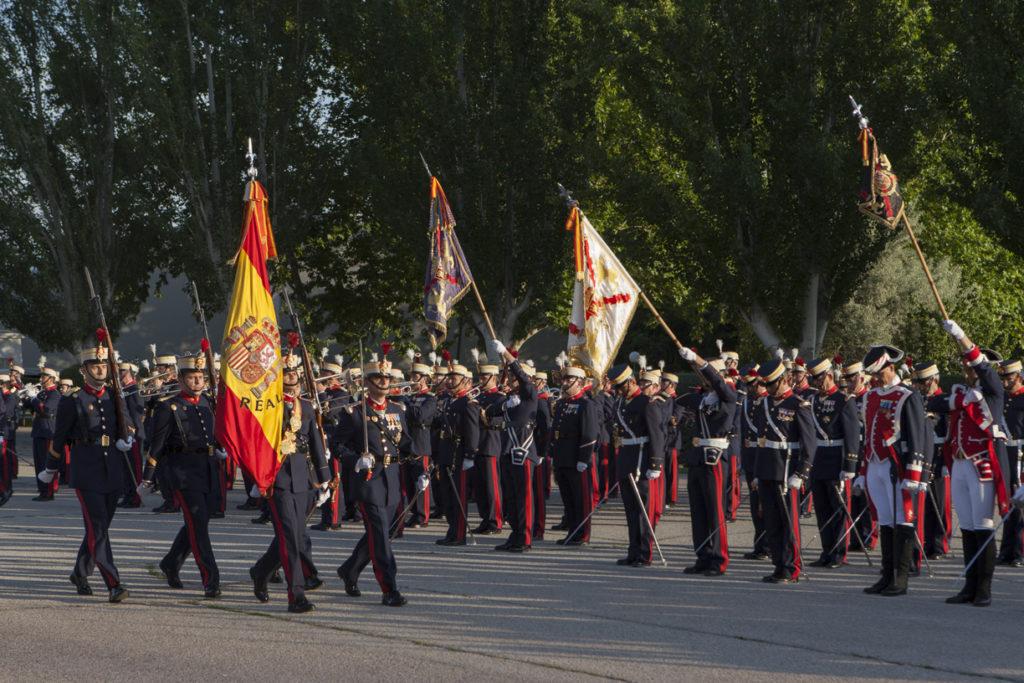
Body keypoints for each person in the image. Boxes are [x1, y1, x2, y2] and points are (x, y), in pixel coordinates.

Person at [39, 344, 135, 603]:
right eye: (95, 366)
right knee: (99, 529)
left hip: (112, 468)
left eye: (103, 366)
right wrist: (50, 467)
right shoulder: (73, 400)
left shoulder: (114, 396)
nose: (101, 370)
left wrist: (127, 437)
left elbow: (127, 423)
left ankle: (80, 572)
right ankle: (114, 584)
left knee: (98, 528)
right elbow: (59, 437)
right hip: (86, 469)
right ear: (84, 370)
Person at [332, 354, 426, 607]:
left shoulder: (397, 410)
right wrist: (354, 460)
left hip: (392, 479)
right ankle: (389, 587)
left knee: (385, 531)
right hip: (369, 481)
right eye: (377, 378)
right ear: (366, 382)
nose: (384, 382)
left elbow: (405, 444)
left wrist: (420, 471)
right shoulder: (355, 413)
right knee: (380, 536)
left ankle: (350, 569)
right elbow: (336, 446)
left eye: (386, 378)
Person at [249, 348, 331, 613]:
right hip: (277, 478)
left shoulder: (305, 406)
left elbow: (316, 443)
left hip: (303, 478)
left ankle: (261, 571)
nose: (292, 377)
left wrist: (325, 479)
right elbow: (254, 443)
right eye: (286, 374)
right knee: (290, 539)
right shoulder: (265, 405)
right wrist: (255, 476)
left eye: (294, 373)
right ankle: (296, 595)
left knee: (295, 535)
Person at [139, 352, 224, 598]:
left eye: (200, 377)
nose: (198, 382)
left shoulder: (208, 402)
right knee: (198, 527)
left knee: (199, 522)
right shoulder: (168, 406)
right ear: (180, 379)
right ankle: (211, 578)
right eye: (192, 377)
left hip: (208, 469)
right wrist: (148, 477)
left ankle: (171, 562)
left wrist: (222, 448)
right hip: (183, 472)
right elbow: (156, 445)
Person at [939, 321, 1011, 606]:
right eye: (966, 369)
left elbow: (982, 366)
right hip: (959, 465)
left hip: (981, 466)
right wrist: (959, 400)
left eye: (972, 369)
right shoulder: (962, 394)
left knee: (982, 526)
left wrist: (961, 336)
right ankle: (969, 586)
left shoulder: (993, 391)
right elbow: (936, 404)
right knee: (967, 527)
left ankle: (984, 588)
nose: (968, 373)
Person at [856, 344, 927, 597]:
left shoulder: (907, 395)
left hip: (896, 465)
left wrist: (914, 473)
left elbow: (917, 436)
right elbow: (867, 436)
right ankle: (886, 574)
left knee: (903, 519)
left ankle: (901, 577)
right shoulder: (870, 396)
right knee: (885, 520)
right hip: (874, 463)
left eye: (881, 373)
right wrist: (862, 471)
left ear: (891, 367)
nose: (877, 379)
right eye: (875, 375)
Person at [751, 358, 816, 584]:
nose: (768, 389)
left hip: (787, 472)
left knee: (789, 524)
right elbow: (761, 441)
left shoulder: (799, 405)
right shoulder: (764, 405)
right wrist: (757, 472)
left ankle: (791, 568)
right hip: (767, 469)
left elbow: (809, 443)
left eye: (771, 384)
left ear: (783, 380)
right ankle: (779, 565)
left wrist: (801, 473)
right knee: (771, 522)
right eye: (766, 385)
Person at [677, 349, 736, 576]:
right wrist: (702, 398)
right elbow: (681, 399)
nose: (704, 379)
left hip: (715, 457)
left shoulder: (729, 395)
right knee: (698, 510)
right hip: (697, 456)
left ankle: (719, 559)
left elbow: (720, 385)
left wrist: (699, 361)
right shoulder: (703, 396)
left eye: (707, 375)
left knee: (714, 510)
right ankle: (703, 555)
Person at [805, 357, 861, 568]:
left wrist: (849, 466)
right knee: (822, 510)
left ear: (829, 375)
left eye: (819, 379)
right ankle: (826, 550)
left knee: (838, 510)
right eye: (814, 380)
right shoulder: (812, 401)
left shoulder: (844, 400)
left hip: (836, 460)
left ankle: (839, 553)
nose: (817, 383)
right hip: (818, 460)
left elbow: (852, 436)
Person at [608, 362, 665, 567]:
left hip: (642, 460)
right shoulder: (621, 404)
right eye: (616, 387)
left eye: (620, 387)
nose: (617, 391)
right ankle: (633, 551)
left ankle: (644, 553)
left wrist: (655, 464)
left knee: (643, 511)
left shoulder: (647, 403)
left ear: (631, 382)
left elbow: (657, 435)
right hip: (627, 458)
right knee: (631, 510)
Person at [490, 340, 540, 553]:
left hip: (523, 450)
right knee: (510, 497)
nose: (511, 378)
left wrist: (506, 354)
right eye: (509, 375)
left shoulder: (530, 394)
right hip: (508, 450)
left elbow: (523, 378)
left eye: (513, 375)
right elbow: (490, 411)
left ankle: (525, 538)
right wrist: (504, 405)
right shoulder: (510, 397)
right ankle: (515, 534)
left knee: (523, 497)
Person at [549, 366, 598, 545]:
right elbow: (555, 430)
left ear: (579, 383)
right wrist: (553, 452)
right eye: (564, 380)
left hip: (576, 457)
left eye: (569, 380)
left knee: (581, 499)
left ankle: (582, 534)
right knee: (568, 499)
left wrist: (584, 458)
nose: (564, 383)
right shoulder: (562, 404)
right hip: (562, 456)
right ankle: (572, 532)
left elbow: (589, 434)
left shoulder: (586, 405)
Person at [913, 362, 952, 560]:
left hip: (939, 454)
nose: (921, 386)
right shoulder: (919, 400)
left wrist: (946, 461)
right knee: (926, 502)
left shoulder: (945, 400)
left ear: (935, 380)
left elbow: (949, 432)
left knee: (940, 502)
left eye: (924, 382)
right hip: (923, 453)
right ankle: (926, 542)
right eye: (919, 382)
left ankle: (939, 544)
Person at [997, 359, 1024, 567]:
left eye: (1010, 379)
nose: (1005, 383)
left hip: (1020, 456)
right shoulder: (1004, 399)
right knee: (1006, 501)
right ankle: (1007, 550)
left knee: (1019, 504)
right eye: (1003, 379)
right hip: (1005, 453)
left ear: (1020, 377)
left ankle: (1018, 551)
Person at [473, 364, 505, 534]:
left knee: (492, 487)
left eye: (485, 378)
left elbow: (499, 421)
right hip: (477, 445)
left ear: (494, 378)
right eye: (480, 377)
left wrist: (481, 414)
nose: (481, 381)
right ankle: (485, 519)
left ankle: (495, 521)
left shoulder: (500, 398)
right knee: (480, 487)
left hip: (490, 444)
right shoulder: (478, 396)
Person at [23, 362, 61, 501]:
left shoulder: (55, 394)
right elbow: (29, 407)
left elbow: (45, 409)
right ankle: (42, 490)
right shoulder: (42, 393)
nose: (41, 379)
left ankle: (48, 492)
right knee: (39, 463)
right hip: (38, 430)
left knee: (46, 463)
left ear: (51, 379)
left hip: (48, 430)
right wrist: (27, 396)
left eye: (44, 376)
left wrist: (34, 398)